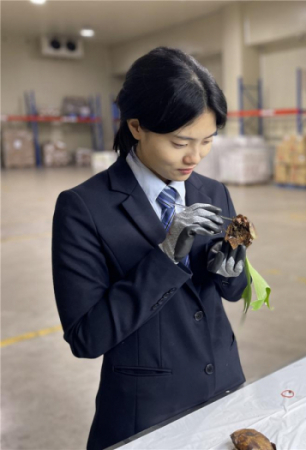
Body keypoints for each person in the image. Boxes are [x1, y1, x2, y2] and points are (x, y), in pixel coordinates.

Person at [52, 47, 248, 450]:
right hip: (147, 411)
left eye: (208, 141)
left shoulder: (212, 191)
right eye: (180, 143)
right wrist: (165, 256)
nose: (195, 156)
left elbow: (230, 290)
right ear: (137, 126)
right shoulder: (84, 208)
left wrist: (231, 272)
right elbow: (87, 337)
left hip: (225, 385)